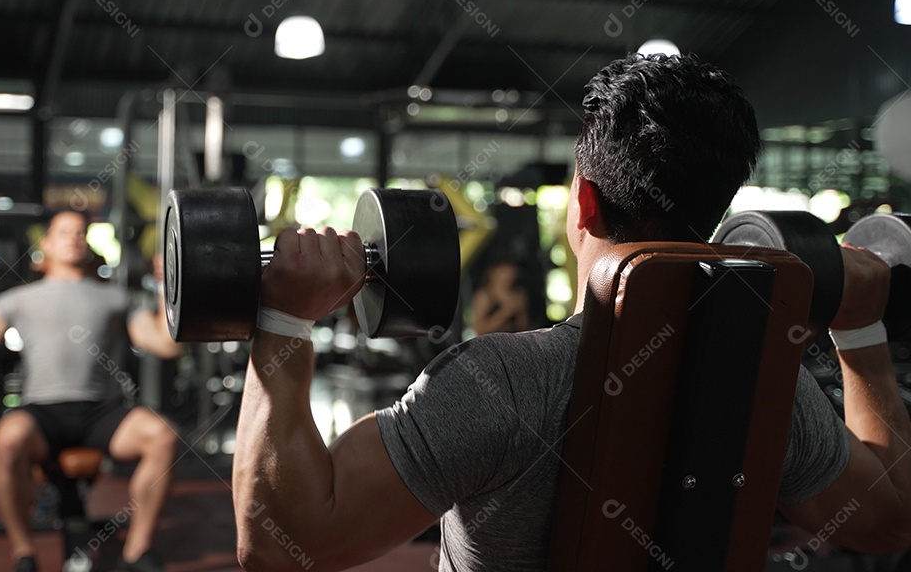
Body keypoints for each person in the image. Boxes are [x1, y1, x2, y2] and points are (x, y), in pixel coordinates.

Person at [231, 54, 911, 571]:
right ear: (723, 220)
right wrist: (861, 331)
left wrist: (285, 320)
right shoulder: (767, 386)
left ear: (583, 202)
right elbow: (886, 521)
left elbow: (281, 544)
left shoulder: (498, 381)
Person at [0, 209, 183, 572]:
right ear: (46, 244)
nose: (73, 238)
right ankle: (23, 552)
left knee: (163, 437)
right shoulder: (20, 298)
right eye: (64, 232)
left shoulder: (115, 297)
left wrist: (168, 284)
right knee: (8, 440)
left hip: (102, 411)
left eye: (80, 232)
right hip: (42, 412)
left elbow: (166, 345)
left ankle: (137, 552)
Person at [471, 260, 529, 335]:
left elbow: (524, 329)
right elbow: (479, 330)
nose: (508, 276)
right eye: (503, 271)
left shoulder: (518, 294)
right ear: (492, 273)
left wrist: (520, 311)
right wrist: (505, 312)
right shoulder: (484, 297)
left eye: (511, 271)